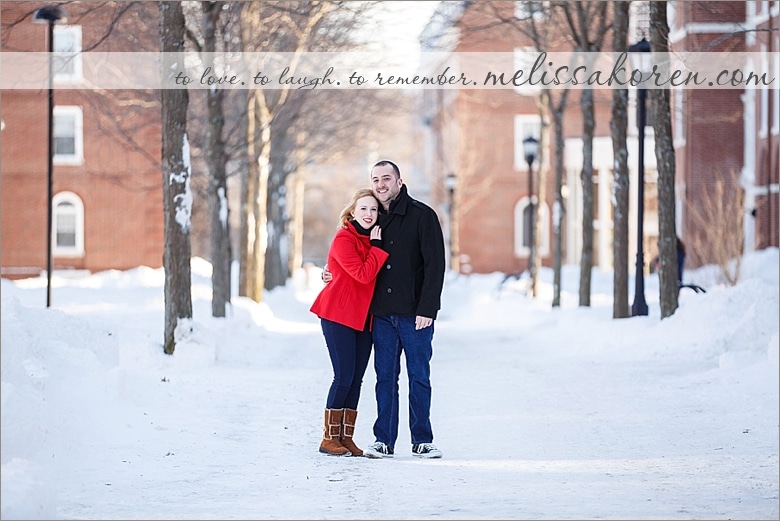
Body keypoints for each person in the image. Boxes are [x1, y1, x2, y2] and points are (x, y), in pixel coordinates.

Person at [325, 159, 446, 459]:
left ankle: (422, 439)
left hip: (415, 314)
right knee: (384, 378)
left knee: (419, 376)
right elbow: (349, 255)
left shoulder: (422, 216)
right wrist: (329, 272)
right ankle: (384, 440)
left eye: (386, 178)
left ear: (399, 182)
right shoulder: (372, 219)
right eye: (375, 179)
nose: (381, 184)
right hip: (379, 315)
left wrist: (428, 308)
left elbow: (435, 266)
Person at [310, 188, 389, 457]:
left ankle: (346, 438)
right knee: (343, 377)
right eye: (363, 208)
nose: (369, 214)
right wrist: (377, 249)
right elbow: (363, 274)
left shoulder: (374, 238)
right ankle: (328, 439)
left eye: (374, 209)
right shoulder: (344, 238)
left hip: (363, 319)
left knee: (356, 380)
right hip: (338, 315)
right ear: (352, 211)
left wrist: (377, 246)